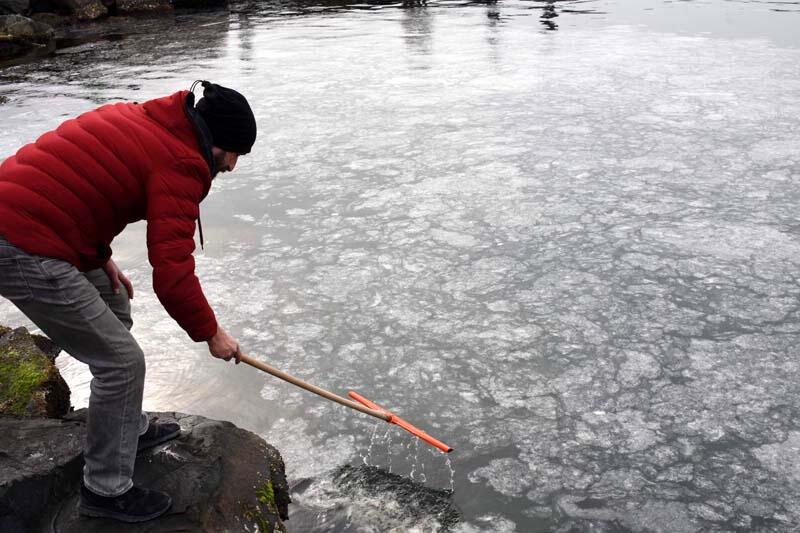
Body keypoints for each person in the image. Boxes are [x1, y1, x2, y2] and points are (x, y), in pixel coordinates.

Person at [0, 80, 256, 522]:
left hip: (37, 223)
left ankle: (126, 429)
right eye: (231, 152)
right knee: (121, 363)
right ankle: (105, 490)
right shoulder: (181, 163)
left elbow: (84, 187)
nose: (231, 165)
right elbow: (172, 274)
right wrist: (212, 334)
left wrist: (98, 257)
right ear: (211, 138)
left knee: (115, 303)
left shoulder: (152, 119)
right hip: (21, 242)